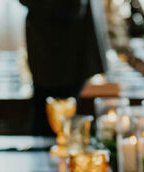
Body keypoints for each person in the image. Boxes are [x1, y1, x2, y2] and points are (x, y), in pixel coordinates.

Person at [18, 0, 104, 134]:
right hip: (60, 52)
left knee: (52, 127)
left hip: (59, 53)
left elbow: (72, 6)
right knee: (52, 123)